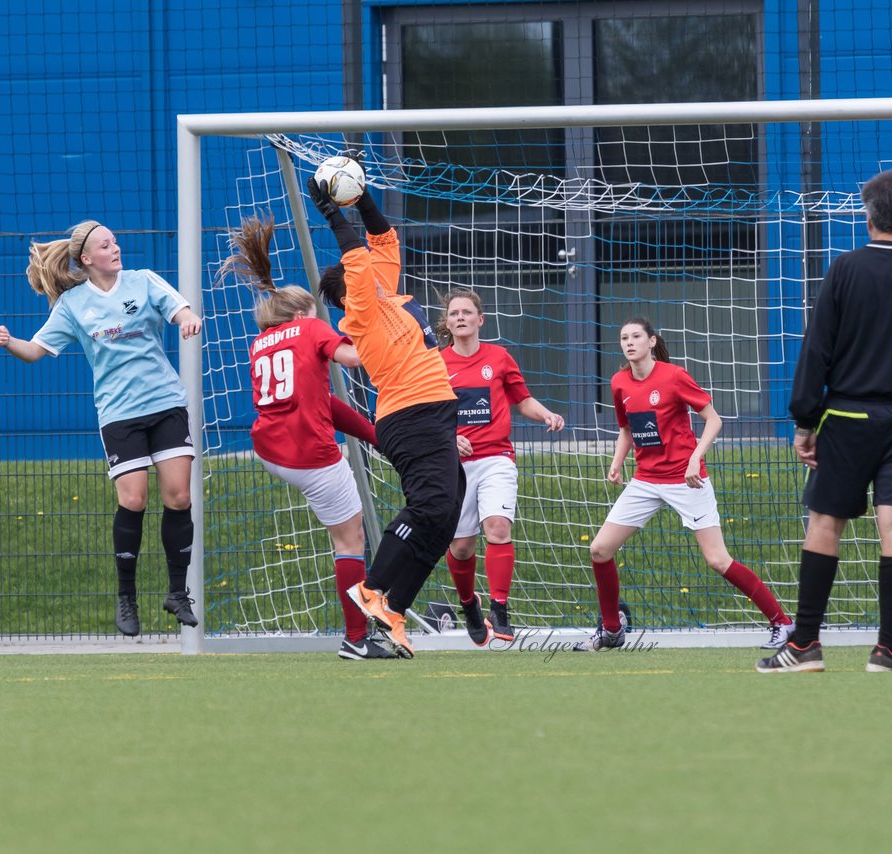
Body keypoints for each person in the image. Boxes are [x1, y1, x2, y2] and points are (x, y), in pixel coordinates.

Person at [0, 220, 203, 637]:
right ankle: (127, 597)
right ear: (87, 259)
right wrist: (9, 342)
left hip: (165, 404)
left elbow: (180, 308)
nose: (116, 248)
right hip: (119, 414)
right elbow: (36, 350)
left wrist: (188, 319)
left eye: (116, 242)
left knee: (178, 497)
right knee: (134, 500)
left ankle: (178, 593)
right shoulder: (72, 304)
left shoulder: (142, 281)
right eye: (107, 245)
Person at [219, 214, 394, 661]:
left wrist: (374, 435)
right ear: (302, 313)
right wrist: (381, 330)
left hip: (271, 449)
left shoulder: (261, 342)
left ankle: (363, 629)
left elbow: (324, 404)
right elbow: (354, 359)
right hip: (308, 453)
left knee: (347, 535)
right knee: (351, 541)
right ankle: (357, 639)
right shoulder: (312, 328)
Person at [307, 172, 464, 658]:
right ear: (347, 296)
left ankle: (392, 609)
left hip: (434, 415)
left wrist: (362, 196)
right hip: (409, 416)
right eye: (362, 278)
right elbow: (357, 257)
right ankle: (371, 589)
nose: (374, 271)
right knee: (430, 507)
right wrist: (332, 212)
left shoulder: (389, 297)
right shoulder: (361, 314)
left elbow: (381, 238)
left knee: (446, 518)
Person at [578, 317, 793, 651]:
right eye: (624, 338)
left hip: (686, 480)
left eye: (636, 336)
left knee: (718, 560)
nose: (629, 342)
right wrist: (617, 462)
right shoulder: (619, 382)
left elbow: (713, 419)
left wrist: (696, 457)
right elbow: (627, 429)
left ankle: (782, 623)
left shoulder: (674, 376)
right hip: (645, 481)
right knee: (600, 549)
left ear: (652, 341)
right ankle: (611, 629)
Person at [758, 169, 892, 674]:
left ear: (868, 215)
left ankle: (805, 645)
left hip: (850, 417)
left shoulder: (844, 270)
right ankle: (887, 650)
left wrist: (804, 419)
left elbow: (818, 350)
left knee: (824, 524)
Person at [438, 289, 565, 645]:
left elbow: (522, 400)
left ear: (480, 320)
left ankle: (501, 609)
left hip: (496, 458)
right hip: (456, 464)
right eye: (453, 314)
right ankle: (469, 605)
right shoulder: (436, 364)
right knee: (461, 547)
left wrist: (547, 414)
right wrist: (449, 439)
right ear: (447, 323)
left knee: (496, 527)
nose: (460, 317)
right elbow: (428, 417)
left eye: (467, 312)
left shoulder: (499, 357)